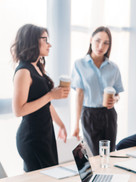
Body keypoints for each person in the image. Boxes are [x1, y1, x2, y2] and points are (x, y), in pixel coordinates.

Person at [11, 24, 70, 172]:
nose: (49, 45)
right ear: (32, 41)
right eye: (45, 40)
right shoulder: (23, 71)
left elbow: (46, 104)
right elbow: (19, 110)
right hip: (32, 137)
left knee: (50, 178)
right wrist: (51, 94)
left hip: (44, 134)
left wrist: (60, 124)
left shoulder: (37, 67)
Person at [71, 26, 124, 156]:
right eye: (97, 41)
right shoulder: (79, 64)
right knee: (95, 154)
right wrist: (76, 124)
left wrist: (114, 100)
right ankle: (98, 176)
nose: (101, 46)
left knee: (110, 154)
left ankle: (109, 176)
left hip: (109, 114)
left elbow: (117, 94)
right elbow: (79, 95)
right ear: (90, 40)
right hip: (89, 114)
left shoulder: (113, 67)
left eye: (106, 43)